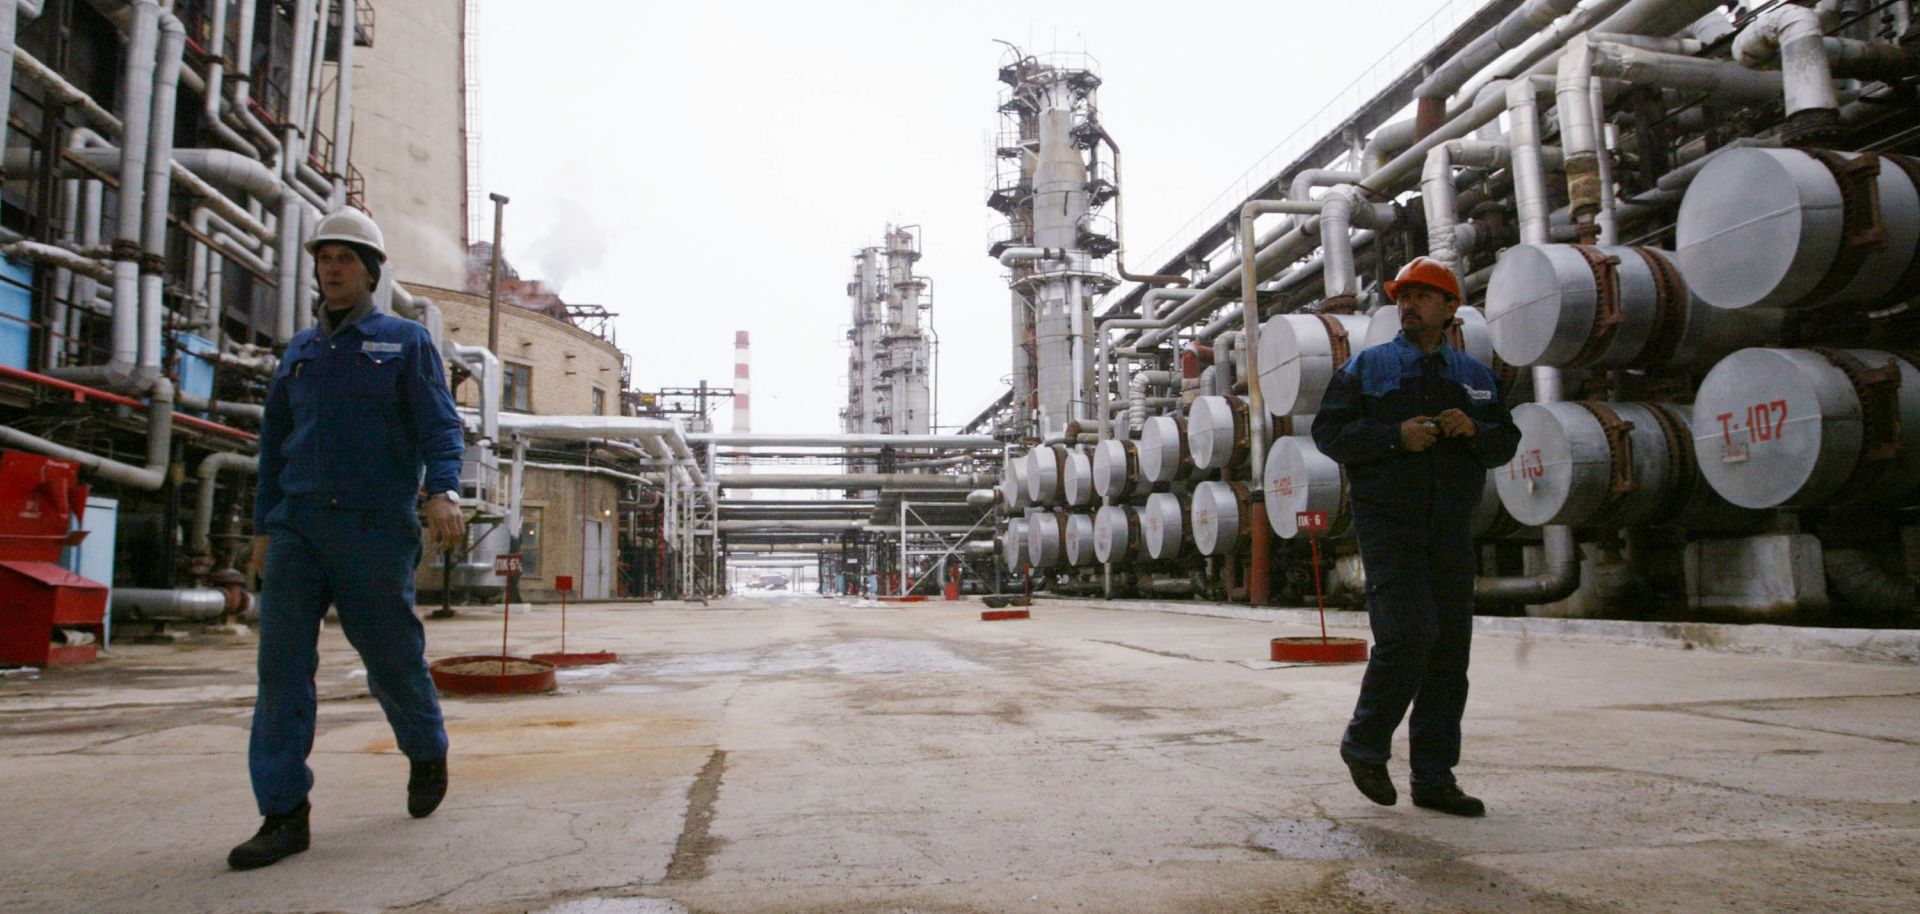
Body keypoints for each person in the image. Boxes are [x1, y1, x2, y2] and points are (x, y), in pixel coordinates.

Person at [229, 209, 468, 870]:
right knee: (280, 671)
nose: (332, 268)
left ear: (370, 269)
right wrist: (262, 529)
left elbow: (441, 428)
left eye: (345, 257)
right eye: (324, 257)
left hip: (373, 528)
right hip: (299, 528)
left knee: (391, 658)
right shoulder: (302, 353)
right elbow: (273, 447)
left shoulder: (405, 341)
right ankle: (283, 814)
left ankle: (425, 747)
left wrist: (442, 490)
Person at [1311, 256, 1520, 817]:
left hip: (1451, 526)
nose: (1409, 305)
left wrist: (1474, 429)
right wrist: (1393, 436)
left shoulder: (1475, 377)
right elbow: (1329, 433)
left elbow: (1506, 443)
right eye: (1404, 296)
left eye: (1423, 296)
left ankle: (1434, 778)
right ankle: (1364, 742)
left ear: (1452, 309)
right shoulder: (1368, 367)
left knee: (1450, 654)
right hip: (1390, 525)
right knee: (1409, 635)